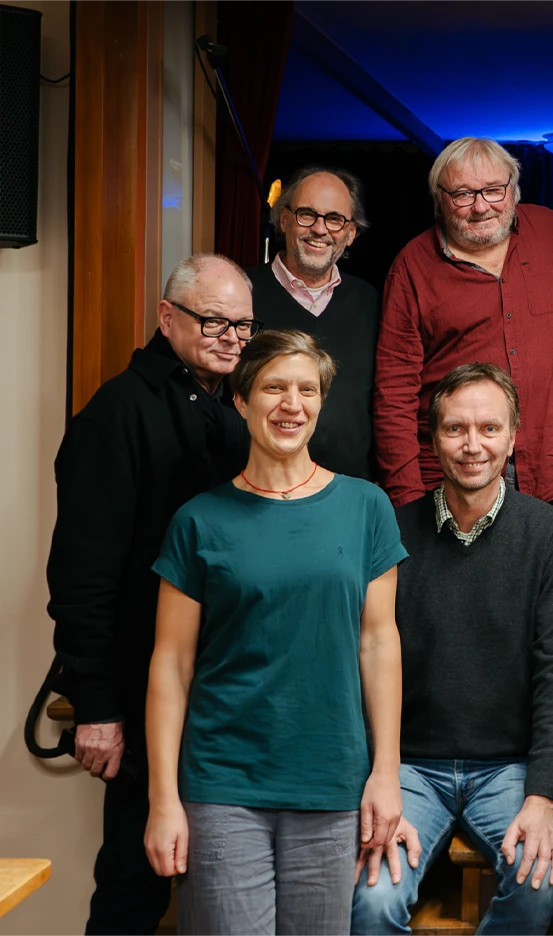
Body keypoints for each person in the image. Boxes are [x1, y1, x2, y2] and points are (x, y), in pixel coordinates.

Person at [144, 330, 406, 935]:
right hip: (222, 784)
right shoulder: (198, 521)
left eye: (307, 390)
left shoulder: (366, 507)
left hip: (332, 781)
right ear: (241, 400)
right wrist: (163, 800)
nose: (292, 404)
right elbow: (171, 665)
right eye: (274, 388)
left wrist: (385, 774)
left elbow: (378, 644)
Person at [46, 253, 254, 935]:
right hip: (140, 690)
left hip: (222, 689)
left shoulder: (238, 409)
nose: (230, 338)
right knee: (134, 885)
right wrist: (97, 708)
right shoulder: (117, 413)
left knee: (216, 883)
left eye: (243, 325)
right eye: (214, 321)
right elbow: (82, 577)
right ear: (168, 317)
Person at [351, 362, 553, 935]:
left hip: (509, 769)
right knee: (371, 904)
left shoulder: (550, 534)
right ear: (434, 439)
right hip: (409, 769)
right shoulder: (393, 532)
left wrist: (542, 796)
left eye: (489, 428)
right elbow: (364, 663)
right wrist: (378, 777)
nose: (472, 445)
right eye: (455, 428)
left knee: (538, 886)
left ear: (513, 436)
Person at [374, 137, 553, 508]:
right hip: (453, 478)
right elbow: (394, 393)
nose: (481, 206)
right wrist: (407, 501)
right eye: (463, 194)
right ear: (439, 199)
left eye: (493, 190)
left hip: (552, 474)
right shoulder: (411, 267)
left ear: (514, 190)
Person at [249, 165, 380, 480]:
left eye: (334, 219)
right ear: (284, 219)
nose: (320, 229)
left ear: (351, 234)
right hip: (258, 490)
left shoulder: (372, 302)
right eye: (306, 214)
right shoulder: (243, 294)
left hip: (349, 491)